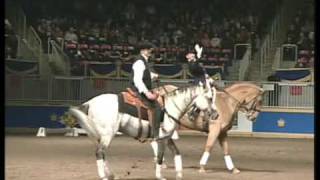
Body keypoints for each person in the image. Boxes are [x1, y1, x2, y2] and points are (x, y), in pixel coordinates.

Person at [130, 42, 162, 140]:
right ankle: (155, 134)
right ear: (143, 50)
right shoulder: (140, 62)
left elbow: (144, 75)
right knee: (156, 107)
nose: (150, 52)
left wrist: (153, 76)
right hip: (138, 90)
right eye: (149, 50)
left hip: (141, 88)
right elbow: (138, 80)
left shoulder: (144, 61)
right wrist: (147, 93)